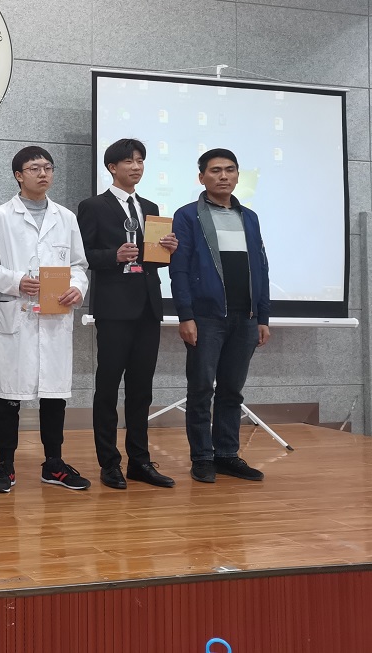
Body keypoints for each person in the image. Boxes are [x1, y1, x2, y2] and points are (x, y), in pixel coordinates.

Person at [0, 146, 90, 493]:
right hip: (19, 313)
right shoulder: (0, 216)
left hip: (55, 317)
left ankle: (53, 464)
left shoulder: (65, 217)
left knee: (54, 395)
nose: (43, 173)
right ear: (18, 175)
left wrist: (77, 288)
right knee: (8, 395)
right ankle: (5, 465)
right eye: (35, 168)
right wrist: (16, 281)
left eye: (48, 168)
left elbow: (78, 265)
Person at [77, 139, 179, 490]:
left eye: (140, 161)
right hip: (114, 309)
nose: (136, 167)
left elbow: (151, 259)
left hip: (148, 307)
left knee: (141, 390)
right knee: (107, 388)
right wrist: (113, 256)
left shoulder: (150, 207)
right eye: (129, 161)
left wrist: (167, 250)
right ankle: (109, 463)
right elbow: (83, 255)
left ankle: (140, 461)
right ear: (112, 167)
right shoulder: (93, 206)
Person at [170, 148, 270, 484]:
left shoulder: (250, 217)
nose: (223, 176)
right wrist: (185, 315)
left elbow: (262, 268)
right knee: (201, 390)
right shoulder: (188, 216)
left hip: (246, 317)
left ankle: (227, 455)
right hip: (206, 318)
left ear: (238, 175)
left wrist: (263, 317)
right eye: (215, 170)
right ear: (202, 177)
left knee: (232, 391)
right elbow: (179, 268)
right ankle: (202, 457)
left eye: (229, 170)